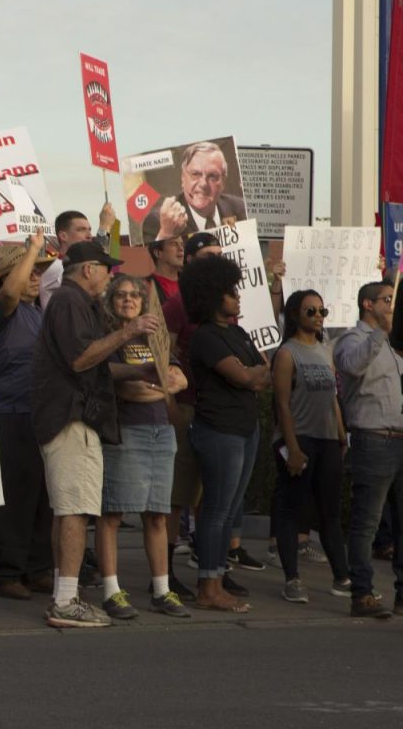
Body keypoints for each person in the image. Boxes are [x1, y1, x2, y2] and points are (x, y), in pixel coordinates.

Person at [33, 241, 158, 628]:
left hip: (69, 417)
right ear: (88, 269)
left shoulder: (72, 303)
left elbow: (94, 365)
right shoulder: (70, 302)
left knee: (66, 510)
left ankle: (63, 592)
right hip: (71, 419)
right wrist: (130, 332)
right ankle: (67, 601)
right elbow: (81, 358)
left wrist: (139, 372)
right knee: (74, 510)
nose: (109, 277)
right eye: (106, 269)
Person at [95, 275, 191, 620]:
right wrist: (157, 384)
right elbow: (123, 388)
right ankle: (111, 591)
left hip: (160, 432)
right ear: (111, 301)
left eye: (135, 295)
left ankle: (162, 591)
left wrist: (155, 384)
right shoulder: (111, 338)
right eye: (120, 295)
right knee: (112, 514)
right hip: (127, 431)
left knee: (157, 515)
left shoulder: (156, 337)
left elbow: (179, 380)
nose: (128, 300)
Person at [180, 255, 270, 612]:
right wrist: (254, 374)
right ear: (213, 295)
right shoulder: (206, 337)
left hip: (246, 428)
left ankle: (216, 579)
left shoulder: (237, 332)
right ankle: (208, 584)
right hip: (220, 431)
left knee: (230, 508)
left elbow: (260, 372)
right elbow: (249, 377)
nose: (238, 297)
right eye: (231, 292)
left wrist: (255, 374)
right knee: (216, 510)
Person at [0, 234, 58, 602]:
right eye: (28, 271)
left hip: (39, 412)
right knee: (15, 497)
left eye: (39, 271)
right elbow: (10, 293)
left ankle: (37, 567)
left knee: (42, 495)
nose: (35, 277)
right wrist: (31, 250)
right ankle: (7, 571)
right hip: (11, 412)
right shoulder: (2, 308)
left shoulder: (38, 311)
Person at [271, 290, 350, 604]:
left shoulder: (325, 349)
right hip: (299, 438)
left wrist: (341, 435)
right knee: (291, 509)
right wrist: (292, 446)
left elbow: (332, 397)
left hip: (328, 439)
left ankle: (342, 577)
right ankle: (292, 579)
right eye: (311, 311)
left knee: (330, 512)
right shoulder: (287, 353)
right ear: (295, 316)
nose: (319, 316)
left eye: (322, 311)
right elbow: (281, 403)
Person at [334, 280, 402, 619]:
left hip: (399, 438)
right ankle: (362, 593)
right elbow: (353, 365)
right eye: (387, 299)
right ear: (367, 304)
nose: (392, 304)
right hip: (373, 439)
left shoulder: (392, 345)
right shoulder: (353, 338)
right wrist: (380, 334)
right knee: (367, 523)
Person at [142, 141, 247, 243]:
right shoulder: (159, 222)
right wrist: (166, 233)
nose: (203, 184)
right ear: (183, 178)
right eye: (195, 174)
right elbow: (150, 259)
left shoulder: (242, 209)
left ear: (223, 182)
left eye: (212, 176)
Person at [38, 204, 116, 307]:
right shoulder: (55, 266)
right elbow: (96, 260)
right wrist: (104, 227)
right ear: (63, 236)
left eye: (89, 230)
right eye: (81, 230)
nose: (89, 236)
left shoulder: (72, 263)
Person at [145, 234, 184, 304]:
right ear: (158, 253)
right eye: (174, 244)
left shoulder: (191, 282)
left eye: (181, 244)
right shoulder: (145, 286)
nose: (181, 249)